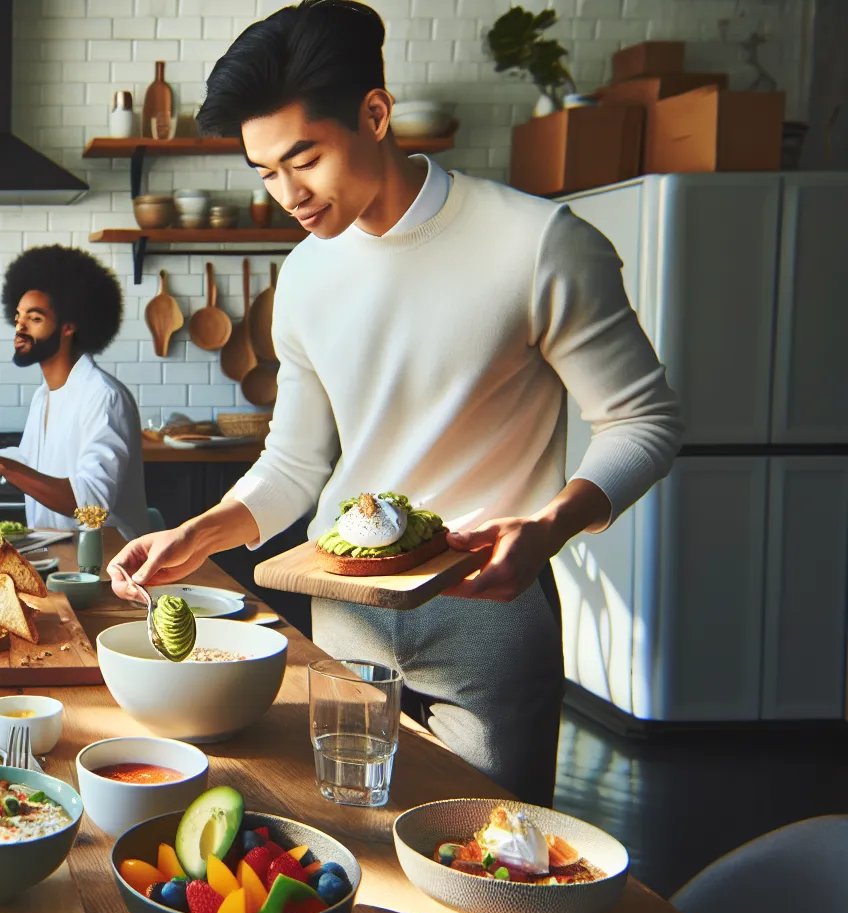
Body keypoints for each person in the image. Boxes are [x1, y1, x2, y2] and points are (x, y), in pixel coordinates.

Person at [108, 0, 683, 805]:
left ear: (375, 114)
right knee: (351, 851)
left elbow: (644, 419)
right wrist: (199, 534)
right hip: (341, 612)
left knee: (491, 857)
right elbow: (296, 461)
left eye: (303, 158)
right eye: (266, 172)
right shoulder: (305, 276)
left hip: (488, 609)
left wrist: (551, 525)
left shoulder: (539, 243)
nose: (288, 194)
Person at [0, 245, 150, 539]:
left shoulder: (103, 398)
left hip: (108, 563)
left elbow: (93, 505)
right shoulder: (45, 395)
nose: (20, 327)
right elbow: (34, 461)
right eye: (18, 317)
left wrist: (1, 465)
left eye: (35, 319)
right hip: (58, 554)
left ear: (69, 326)